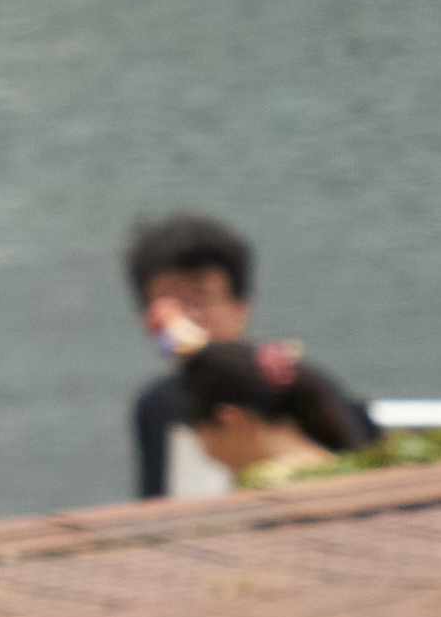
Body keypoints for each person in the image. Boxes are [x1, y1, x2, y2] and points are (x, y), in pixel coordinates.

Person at [122, 212, 375, 500]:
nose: (187, 319)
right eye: (169, 306)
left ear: (242, 305)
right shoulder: (155, 406)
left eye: (201, 300)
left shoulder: (295, 384)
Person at [168, 335, 376, 488]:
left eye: (200, 433)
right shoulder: (351, 471)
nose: (205, 451)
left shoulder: (264, 491)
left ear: (231, 420)